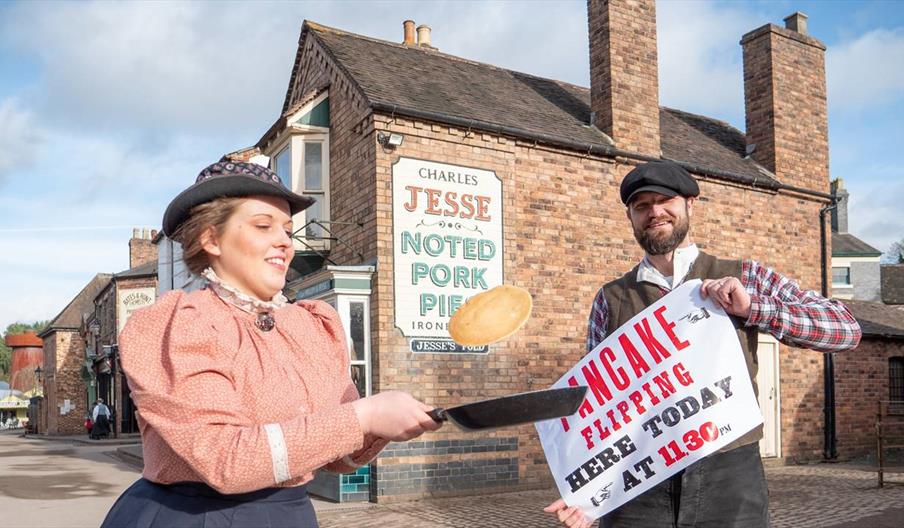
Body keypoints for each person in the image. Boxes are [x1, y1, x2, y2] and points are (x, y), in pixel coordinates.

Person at [101, 159, 442, 528]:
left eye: (287, 230)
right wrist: (366, 415)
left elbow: (337, 458)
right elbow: (224, 461)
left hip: (290, 515)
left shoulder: (313, 327)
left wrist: (388, 424)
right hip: (191, 518)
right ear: (211, 239)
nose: (284, 241)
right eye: (263, 226)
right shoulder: (178, 324)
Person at [544, 160, 862, 528]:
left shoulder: (744, 276)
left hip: (729, 477)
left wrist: (754, 307)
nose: (655, 212)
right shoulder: (610, 298)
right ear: (630, 216)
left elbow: (845, 329)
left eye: (665, 200)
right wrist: (584, 495)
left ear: (690, 203)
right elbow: (594, 405)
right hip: (637, 484)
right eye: (641, 206)